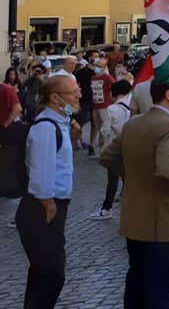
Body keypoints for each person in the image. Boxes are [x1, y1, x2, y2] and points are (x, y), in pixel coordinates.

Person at [99, 81, 169, 309]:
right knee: (160, 288)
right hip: (164, 220)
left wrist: (134, 176)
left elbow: (107, 156)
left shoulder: (134, 123)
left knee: (137, 280)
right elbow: (168, 168)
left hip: (135, 218)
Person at [16, 73, 82, 309]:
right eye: (73, 92)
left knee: (41, 276)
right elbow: (41, 175)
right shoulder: (46, 127)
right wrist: (50, 208)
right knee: (52, 277)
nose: (78, 95)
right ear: (55, 98)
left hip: (50, 208)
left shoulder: (59, 123)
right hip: (42, 210)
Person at [90, 79, 132, 219]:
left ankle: (107, 208)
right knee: (129, 180)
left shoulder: (112, 109)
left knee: (112, 180)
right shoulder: (132, 104)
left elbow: (105, 130)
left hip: (115, 148)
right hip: (129, 146)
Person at [89, 58, 114, 154]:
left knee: (105, 129)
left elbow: (114, 87)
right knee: (99, 128)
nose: (97, 68)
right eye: (96, 65)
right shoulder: (93, 77)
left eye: (100, 66)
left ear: (104, 68)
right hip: (95, 106)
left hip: (105, 106)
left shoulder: (107, 78)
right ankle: (102, 147)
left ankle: (105, 150)